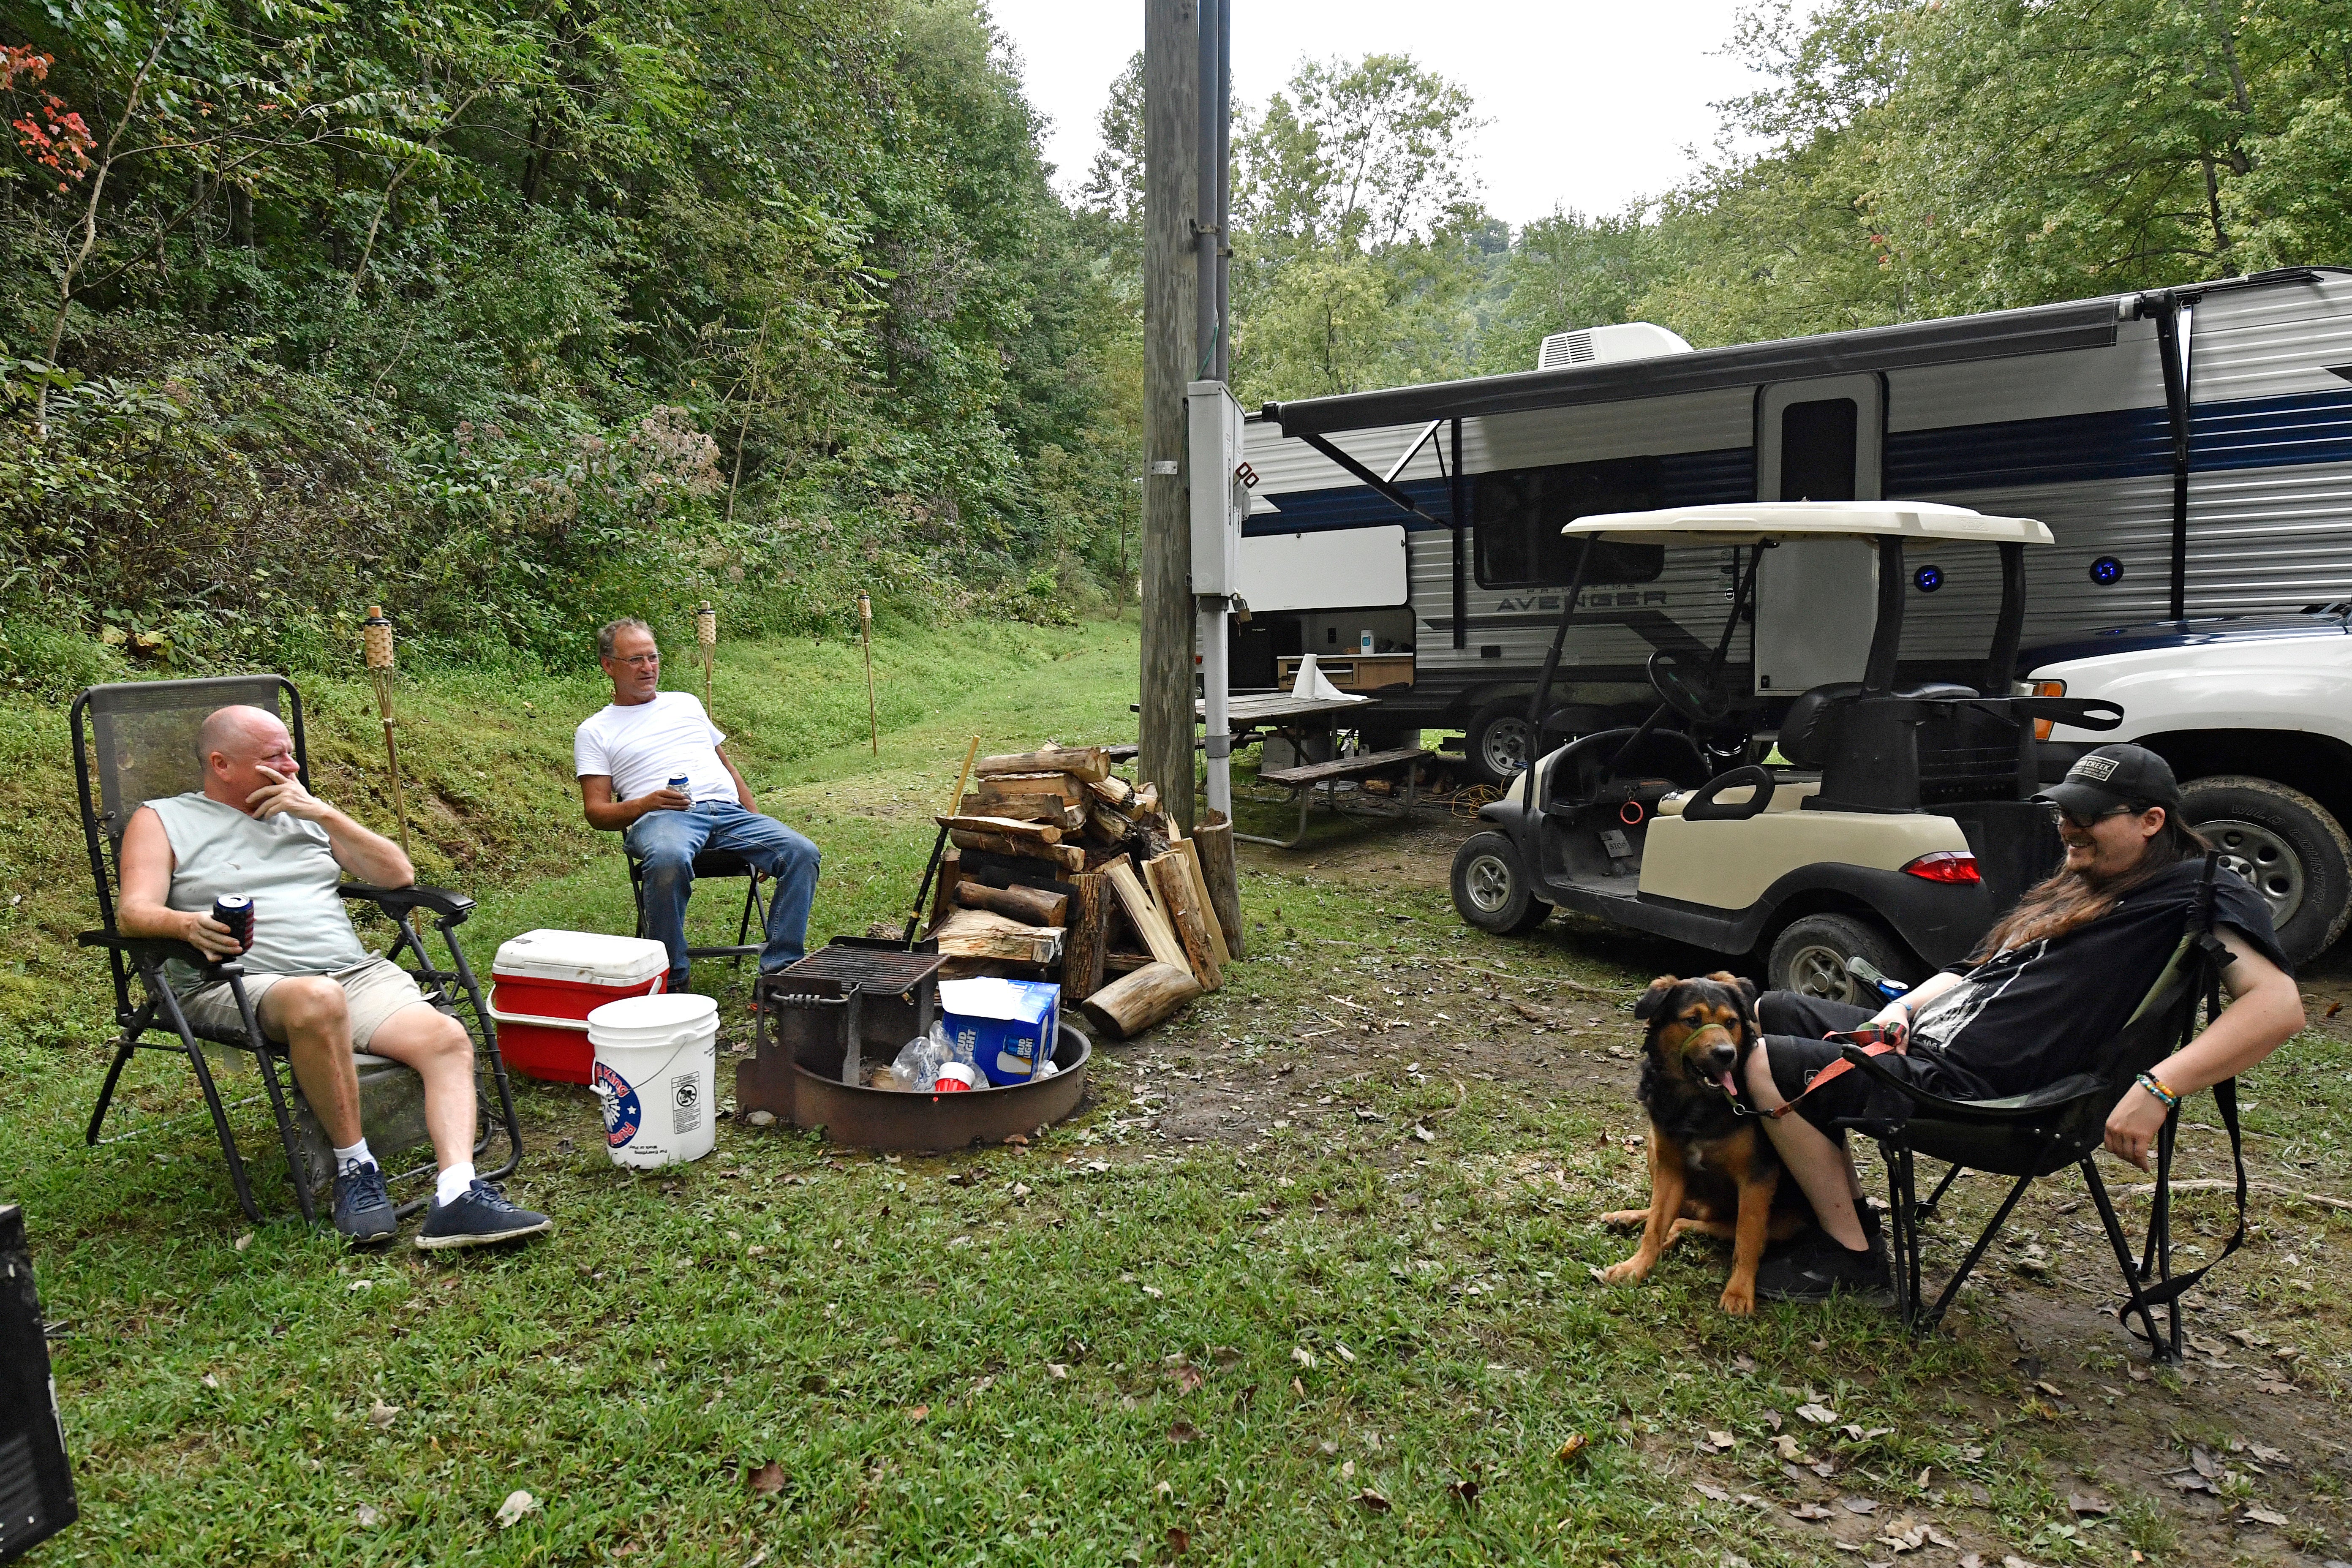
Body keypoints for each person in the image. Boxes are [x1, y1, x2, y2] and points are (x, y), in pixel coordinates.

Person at [1739, 743, 2305, 1302]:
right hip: (1931, 1043)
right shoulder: (2085, 879)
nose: (2068, 828)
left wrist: (2160, 1086)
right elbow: (1976, 967)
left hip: (1989, 1096)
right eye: (2064, 813)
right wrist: (1903, 1009)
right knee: (1769, 1010)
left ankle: (1852, 1258)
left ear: (2151, 821)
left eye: (2087, 817)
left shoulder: (2200, 891)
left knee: (1764, 1061)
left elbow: (2277, 1007)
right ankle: (1807, 1208)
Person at [116, 705, 554, 1249]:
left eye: (291, 753)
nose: (292, 766)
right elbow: (134, 912)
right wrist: (186, 924)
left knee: (445, 1037)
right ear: (221, 764)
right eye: (274, 757)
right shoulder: (161, 819)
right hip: (236, 982)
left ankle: (457, 1192)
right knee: (317, 999)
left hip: (352, 974)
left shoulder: (302, 808)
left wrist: (325, 814)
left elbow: (398, 874)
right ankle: (355, 1169)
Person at [575, 618, 821, 992]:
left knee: (801, 852)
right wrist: (646, 803)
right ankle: (673, 978)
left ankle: (780, 974)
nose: (648, 668)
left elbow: (728, 768)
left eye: (653, 657)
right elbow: (597, 813)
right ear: (608, 666)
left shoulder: (686, 704)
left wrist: (758, 823)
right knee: (667, 861)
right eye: (635, 660)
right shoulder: (595, 731)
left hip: (729, 813)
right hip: (664, 818)